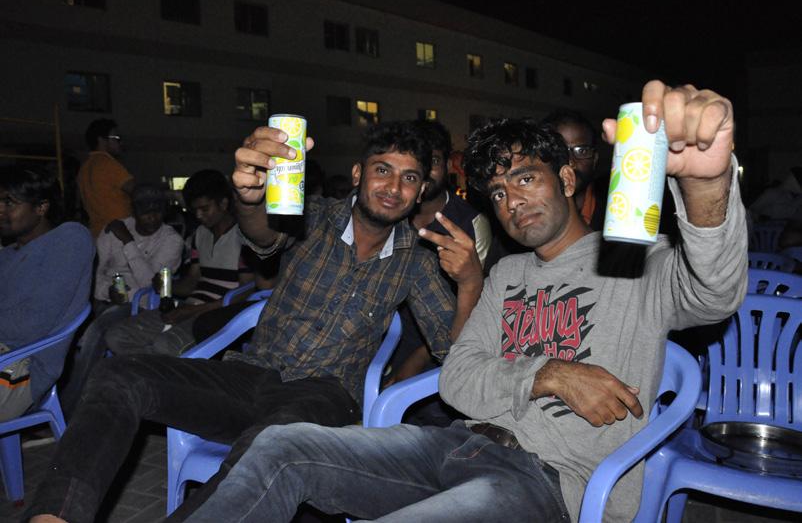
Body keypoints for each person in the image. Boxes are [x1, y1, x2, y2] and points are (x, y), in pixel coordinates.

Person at [182, 81, 748, 523]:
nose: (512, 201)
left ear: (567, 180)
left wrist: (706, 184)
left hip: (544, 481)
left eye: (526, 179)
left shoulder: (635, 262)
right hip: (451, 448)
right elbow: (457, 379)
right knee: (281, 446)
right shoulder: (507, 275)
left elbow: (714, 290)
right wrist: (547, 374)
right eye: (498, 192)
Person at [27, 121, 482, 523]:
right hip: (249, 375)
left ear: (420, 191)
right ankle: (54, 516)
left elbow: (453, 350)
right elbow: (263, 233)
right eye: (383, 169)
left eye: (409, 177)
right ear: (359, 174)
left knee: (270, 445)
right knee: (119, 373)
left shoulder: (417, 261)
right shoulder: (313, 214)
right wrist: (248, 198)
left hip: (323, 395)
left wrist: (468, 284)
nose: (394, 186)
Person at [387, 120, 492, 421]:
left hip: (444, 349)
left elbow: (475, 307)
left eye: (431, 161)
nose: (423, 171)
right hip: (383, 341)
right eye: (416, 162)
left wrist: (417, 359)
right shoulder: (389, 212)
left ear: (446, 165)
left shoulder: (470, 223)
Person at [58, 183, 184, 418]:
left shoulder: (171, 240)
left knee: (95, 333)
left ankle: (67, 409)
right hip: (103, 298)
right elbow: (95, 273)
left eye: (157, 210)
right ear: (134, 211)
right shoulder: (112, 230)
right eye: (145, 211)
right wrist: (107, 292)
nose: (152, 217)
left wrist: (128, 242)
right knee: (67, 332)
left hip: (141, 305)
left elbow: (150, 284)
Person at [103, 170, 254, 357]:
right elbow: (192, 281)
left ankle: (150, 370)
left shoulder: (244, 237)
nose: (198, 215)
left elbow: (244, 294)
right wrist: (166, 286)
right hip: (189, 307)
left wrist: (194, 310)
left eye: (204, 209)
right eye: (195, 210)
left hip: (217, 317)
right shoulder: (200, 234)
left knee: (164, 346)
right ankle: (151, 370)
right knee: (116, 336)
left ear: (223, 204)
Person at [0, 167, 94, 421]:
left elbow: (31, 325)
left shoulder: (70, 238)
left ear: (41, 207)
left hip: (21, 368)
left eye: (9, 202)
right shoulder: (6, 256)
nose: (0, 210)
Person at [541, 109, 604, 229]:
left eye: (581, 151)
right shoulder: (528, 220)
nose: (570, 161)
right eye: (559, 150)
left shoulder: (617, 217)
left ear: (595, 159)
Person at [77, 118, 135, 237]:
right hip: (119, 233)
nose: (120, 143)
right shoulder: (108, 164)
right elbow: (138, 191)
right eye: (117, 138)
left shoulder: (84, 168)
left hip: (98, 234)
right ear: (101, 140)